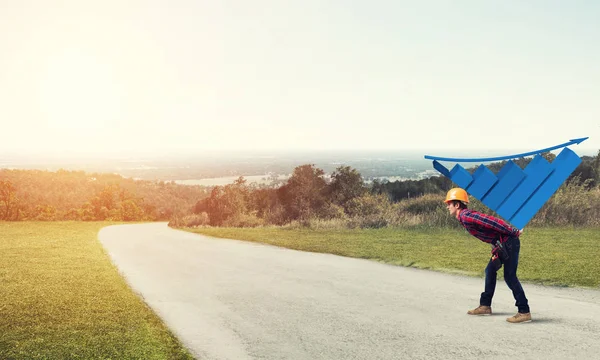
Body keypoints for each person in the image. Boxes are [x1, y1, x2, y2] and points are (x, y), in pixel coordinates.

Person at [444, 188, 532, 323]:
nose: (447, 206)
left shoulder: (466, 216)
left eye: (449, 203)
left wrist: (513, 231)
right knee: (490, 270)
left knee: (510, 276)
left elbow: (492, 221)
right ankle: (485, 306)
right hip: (502, 244)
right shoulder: (464, 218)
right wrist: (495, 245)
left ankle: (524, 311)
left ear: (457, 205)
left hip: (509, 242)